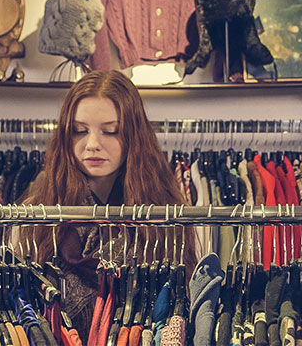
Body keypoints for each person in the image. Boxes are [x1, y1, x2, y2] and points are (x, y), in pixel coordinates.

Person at [21, 69, 195, 340]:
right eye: (80, 131)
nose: (92, 144)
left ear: (132, 136)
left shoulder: (164, 216)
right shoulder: (39, 216)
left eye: (110, 131)